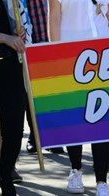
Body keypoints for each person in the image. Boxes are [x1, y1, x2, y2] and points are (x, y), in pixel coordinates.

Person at [48, 0, 109, 196]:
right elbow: (54, 17)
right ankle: (75, 170)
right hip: (71, 53)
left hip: (103, 54)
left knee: (101, 119)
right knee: (75, 117)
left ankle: (102, 182)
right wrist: (55, 55)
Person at [0, 0, 31, 196]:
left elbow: (24, 20)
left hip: (11, 66)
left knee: (15, 130)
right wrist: (4, 38)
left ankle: (5, 171)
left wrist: (21, 34)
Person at [25, 0, 65, 155]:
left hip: (53, 43)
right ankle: (35, 135)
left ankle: (53, 136)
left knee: (53, 94)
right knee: (31, 92)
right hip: (30, 43)